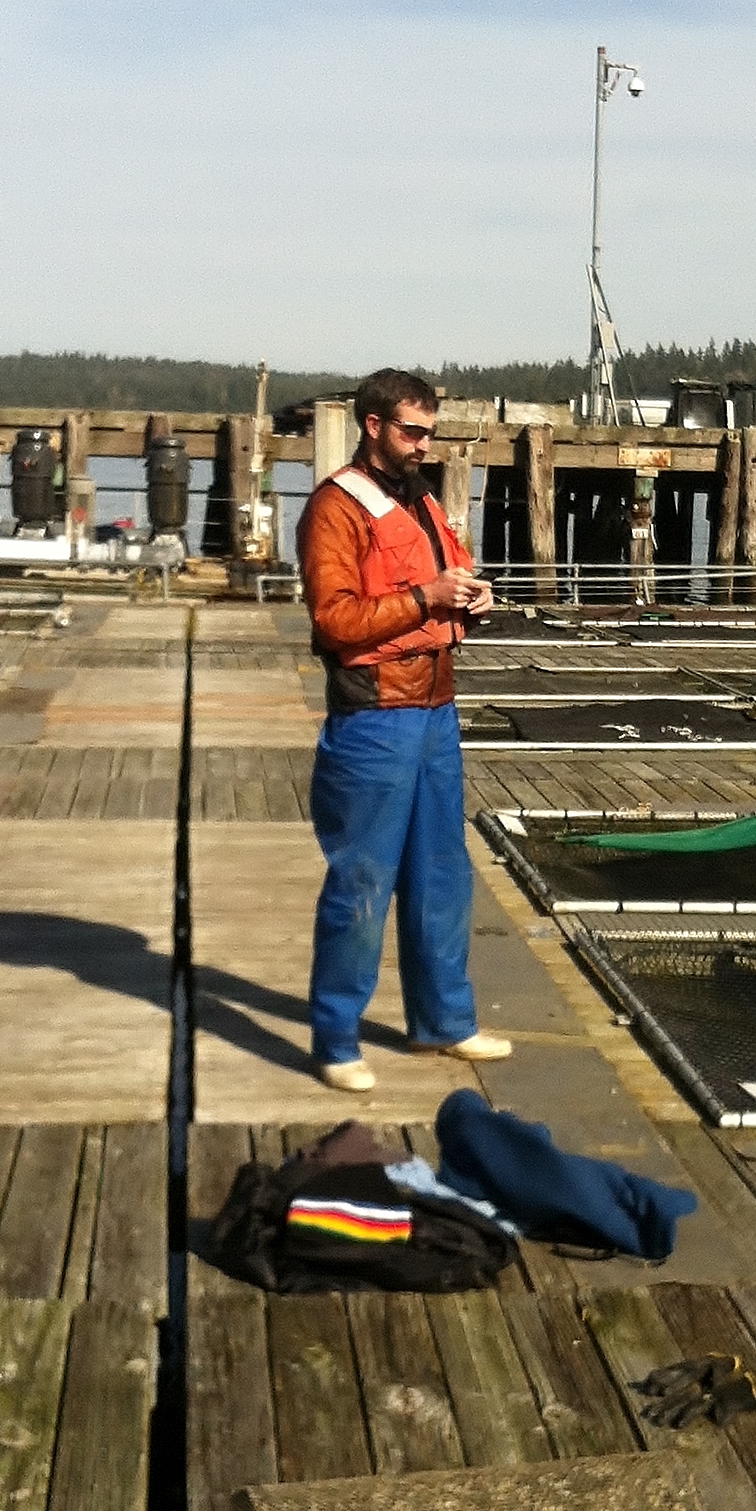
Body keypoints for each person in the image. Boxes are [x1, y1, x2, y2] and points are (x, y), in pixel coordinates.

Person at [295, 368, 512, 1093]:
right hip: (374, 718)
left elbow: (443, 590)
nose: (425, 444)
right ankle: (335, 1039)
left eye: (430, 430)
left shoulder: (421, 500)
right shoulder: (335, 509)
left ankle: (443, 1022)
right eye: (413, 430)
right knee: (363, 879)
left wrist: (471, 601)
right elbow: (335, 622)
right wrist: (427, 597)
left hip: (437, 709)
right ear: (374, 425)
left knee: (442, 876)